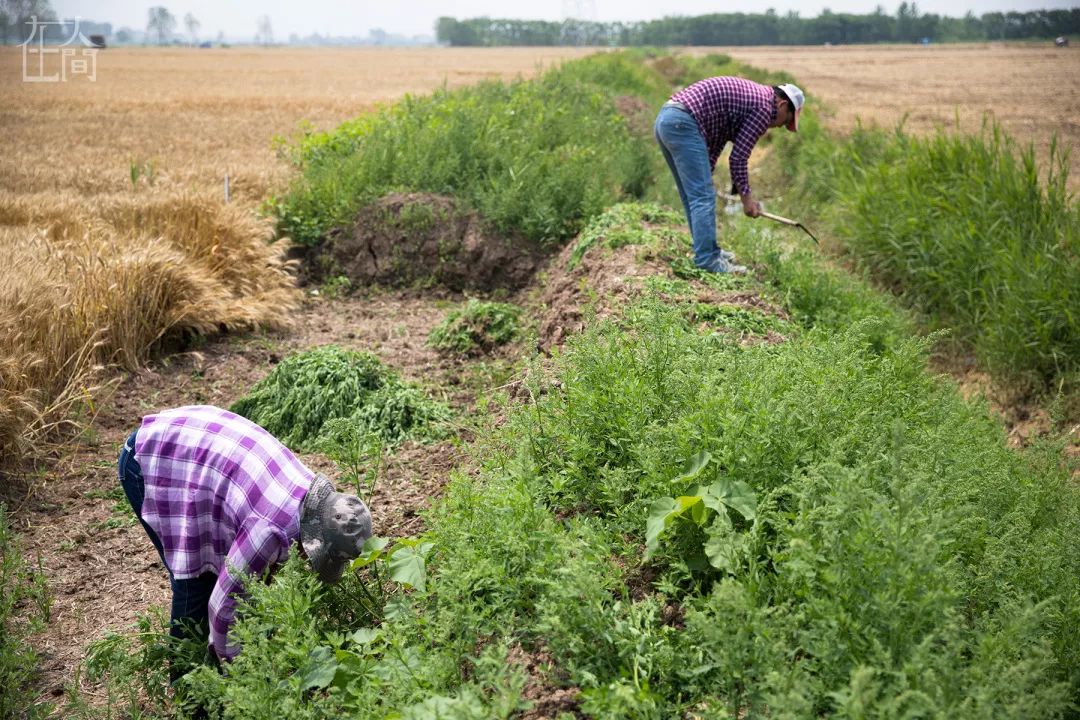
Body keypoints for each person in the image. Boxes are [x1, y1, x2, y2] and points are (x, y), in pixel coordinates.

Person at [117, 405, 372, 663]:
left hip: (193, 441)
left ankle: (205, 665)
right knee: (196, 583)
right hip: (153, 458)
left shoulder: (310, 499)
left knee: (227, 579)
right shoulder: (272, 529)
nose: (310, 564)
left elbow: (251, 579)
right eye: (317, 558)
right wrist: (235, 671)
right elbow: (223, 606)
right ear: (313, 538)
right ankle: (187, 688)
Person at [654, 77, 805, 273]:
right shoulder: (764, 109)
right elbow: (738, 158)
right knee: (703, 197)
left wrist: (707, 173)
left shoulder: (755, 98)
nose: (779, 126)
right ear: (783, 104)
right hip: (682, 123)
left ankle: (709, 251)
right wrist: (747, 201)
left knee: (695, 195)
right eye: (785, 120)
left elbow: (717, 136)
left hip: (667, 119)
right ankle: (707, 260)